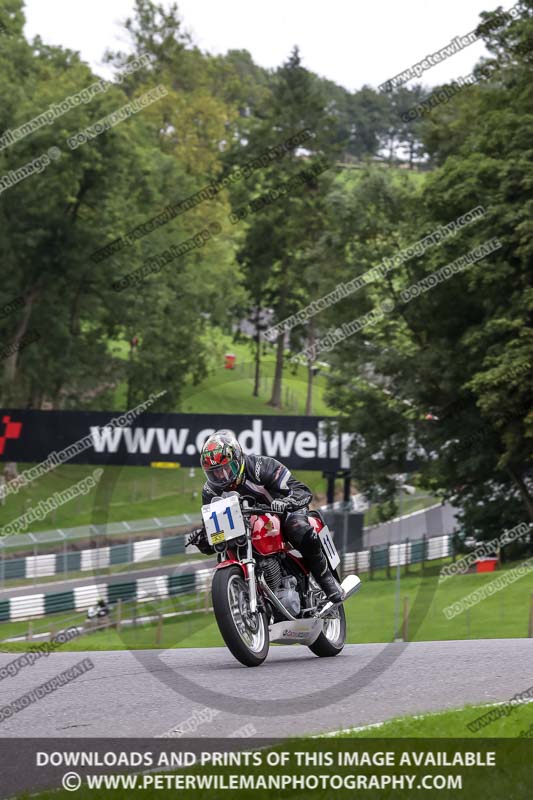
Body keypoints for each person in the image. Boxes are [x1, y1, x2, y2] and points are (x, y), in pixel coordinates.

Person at [187, 430, 343, 603]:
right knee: (226, 549)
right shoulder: (210, 491)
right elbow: (215, 533)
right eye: (214, 472)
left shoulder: (261, 467)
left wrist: (287, 502)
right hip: (245, 525)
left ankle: (327, 581)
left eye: (225, 469)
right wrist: (203, 538)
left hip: (282, 511)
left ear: (237, 458)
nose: (221, 476)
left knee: (297, 526)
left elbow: (302, 490)